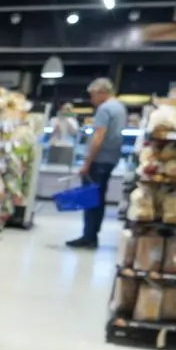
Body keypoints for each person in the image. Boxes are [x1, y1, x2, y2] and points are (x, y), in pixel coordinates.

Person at [68, 78, 127, 249]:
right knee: (99, 197)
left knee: (90, 198)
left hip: (99, 160)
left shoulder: (105, 108)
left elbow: (98, 136)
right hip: (111, 159)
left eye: (93, 95)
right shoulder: (120, 107)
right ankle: (92, 234)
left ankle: (89, 237)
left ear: (102, 92)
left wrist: (87, 162)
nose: (91, 100)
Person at [47, 102, 79, 167]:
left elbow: (74, 132)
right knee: (52, 165)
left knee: (64, 166)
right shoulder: (54, 120)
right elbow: (49, 131)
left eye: (68, 109)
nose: (65, 111)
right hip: (54, 145)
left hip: (67, 146)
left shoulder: (72, 121)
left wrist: (67, 119)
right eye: (64, 109)